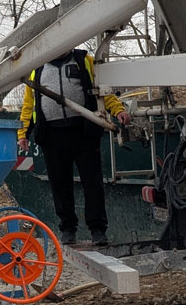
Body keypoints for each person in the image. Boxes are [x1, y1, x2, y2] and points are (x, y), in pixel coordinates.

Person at [18, 49, 131, 250]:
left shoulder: (84, 61)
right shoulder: (37, 68)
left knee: (92, 182)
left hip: (84, 132)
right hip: (52, 135)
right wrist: (23, 133)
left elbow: (102, 91)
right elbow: (29, 105)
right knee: (60, 184)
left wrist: (118, 110)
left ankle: (98, 230)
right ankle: (68, 229)